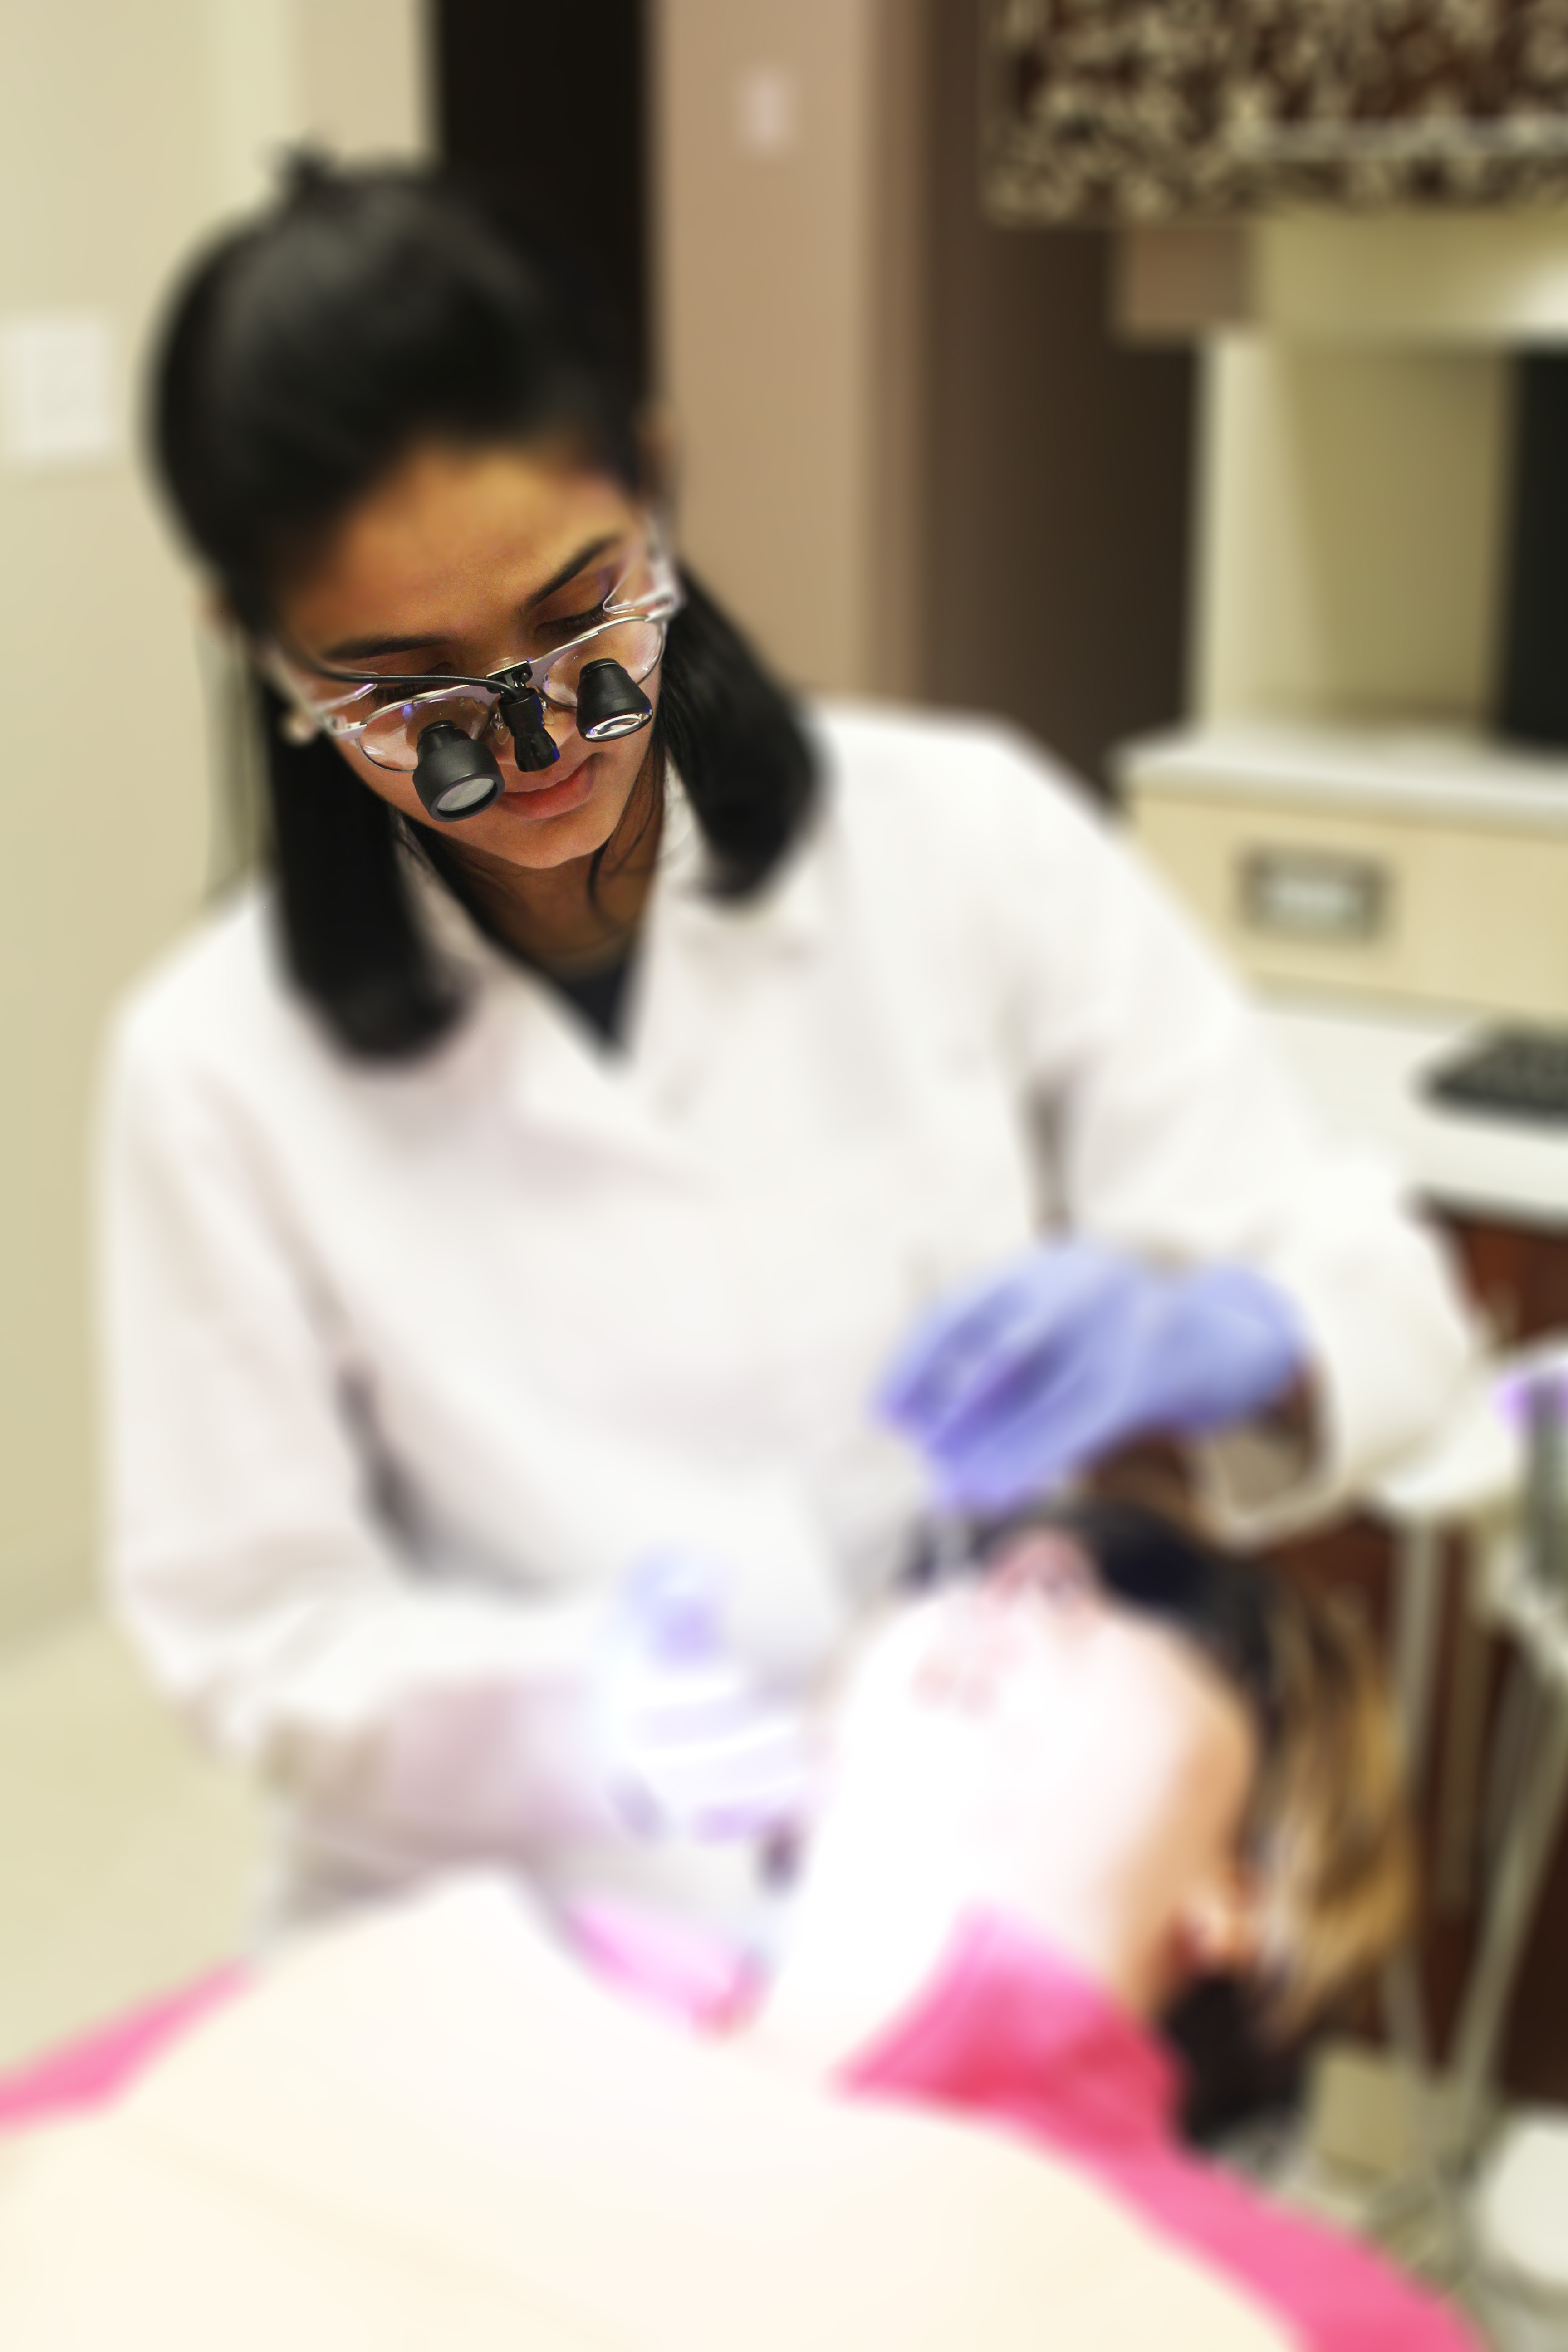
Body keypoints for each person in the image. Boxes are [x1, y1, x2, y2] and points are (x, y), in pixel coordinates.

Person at [104, 158, 1474, 1940]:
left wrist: (1234, 1338)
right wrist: (566, 1710)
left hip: (958, 1896)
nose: (534, 741)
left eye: (577, 614)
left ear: (658, 481)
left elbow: (1390, 1306)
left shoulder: (965, 837)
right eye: (411, 685)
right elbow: (252, 1631)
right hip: (505, 1925)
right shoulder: (214, 1070)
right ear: (265, 656)